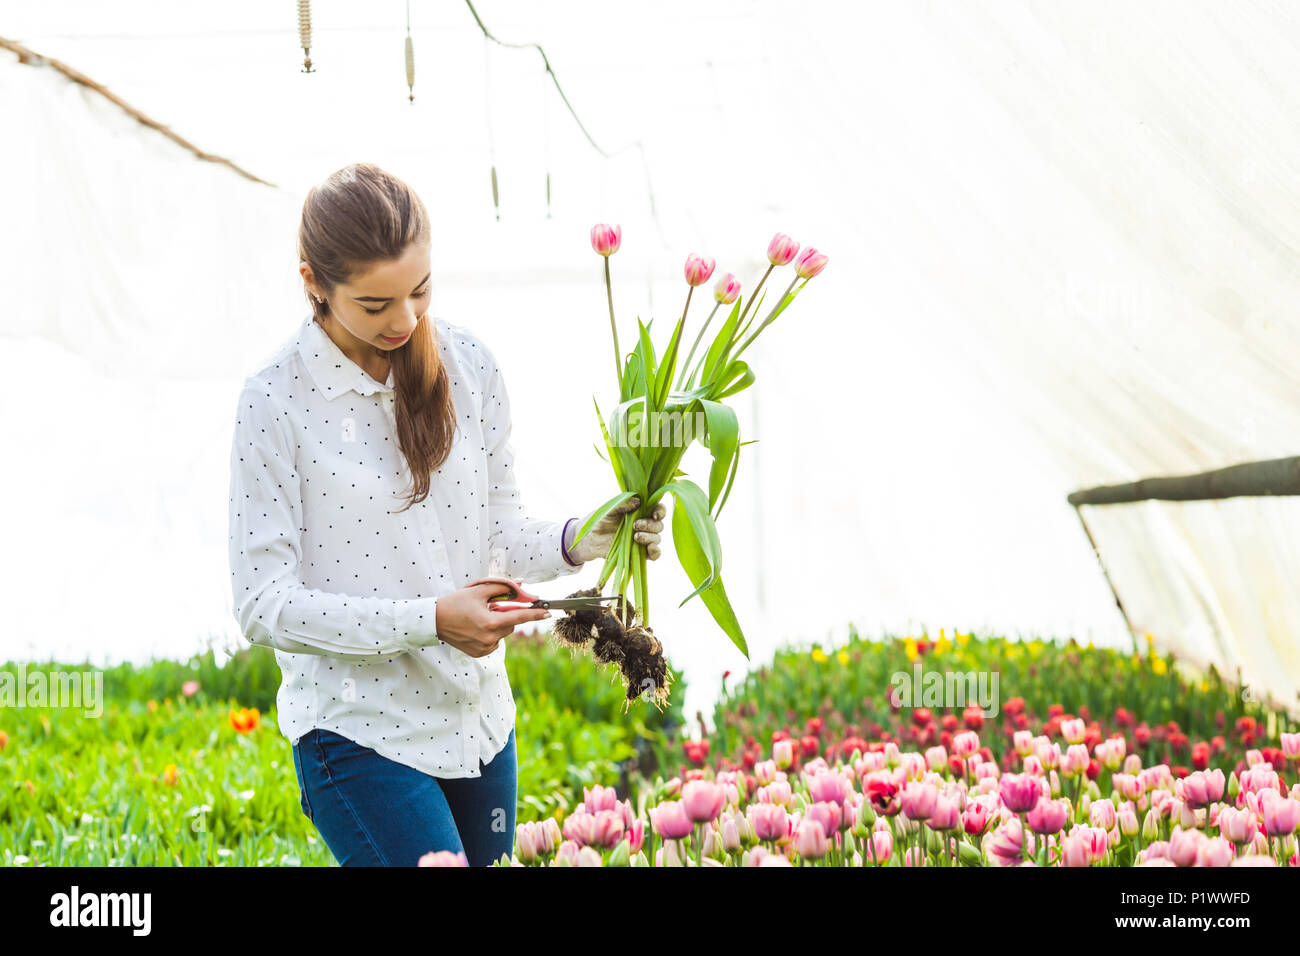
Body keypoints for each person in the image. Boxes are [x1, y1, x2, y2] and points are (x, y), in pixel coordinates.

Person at [227, 162, 665, 866]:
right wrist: (431, 620)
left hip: (479, 726)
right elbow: (263, 605)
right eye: (375, 305)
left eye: (420, 292)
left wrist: (585, 537)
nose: (404, 321)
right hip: (358, 735)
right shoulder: (276, 401)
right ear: (313, 281)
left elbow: (498, 531)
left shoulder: (468, 365)